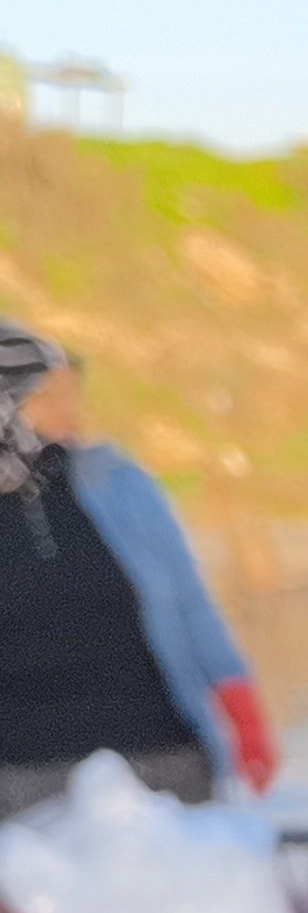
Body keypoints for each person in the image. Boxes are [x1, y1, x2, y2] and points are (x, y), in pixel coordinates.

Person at [0, 322, 279, 816]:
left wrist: (242, 709)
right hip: (21, 778)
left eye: (72, 392)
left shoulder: (118, 483)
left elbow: (190, 603)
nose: (70, 409)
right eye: (48, 394)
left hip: (157, 758)